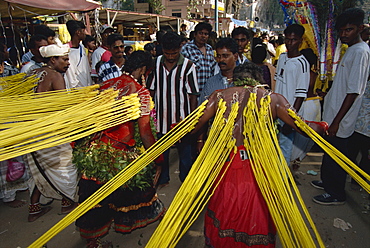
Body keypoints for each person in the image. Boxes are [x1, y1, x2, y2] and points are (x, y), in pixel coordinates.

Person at [192, 61, 327, 248]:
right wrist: (322, 126)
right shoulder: (273, 99)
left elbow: (193, 125)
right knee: (257, 212)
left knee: (225, 208)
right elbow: (303, 127)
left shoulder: (220, 96)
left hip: (227, 165)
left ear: (233, 80)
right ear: (259, 81)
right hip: (259, 167)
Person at [74, 51, 165, 248]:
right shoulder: (140, 92)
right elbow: (146, 133)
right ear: (143, 70)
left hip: (96, 151)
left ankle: (93, 240)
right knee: (136, 190)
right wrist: (158, 159)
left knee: (97, 197)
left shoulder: (107, 85)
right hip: (120, 154)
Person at [311, 8, 370, 205]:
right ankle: (327, 182)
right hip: (334, 113)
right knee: (329, 152)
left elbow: (354, 91)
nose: (344, 34)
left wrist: (336, 122)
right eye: (341, 31)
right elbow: (345, 84)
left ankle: (335, 193)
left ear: (360, 28)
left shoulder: (361, 52)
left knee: (337, 155)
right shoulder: (351, 49)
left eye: (349, 30)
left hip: (341, 119)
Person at [26, 44, 78, 222]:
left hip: (33, 131)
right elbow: (63, 109)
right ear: (53, 60)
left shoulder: (32, 74)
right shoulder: (55, 77)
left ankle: (34, 207)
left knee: (41, 168)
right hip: (51, 131)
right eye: (64, 59)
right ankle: (67, 202)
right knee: (64, 166)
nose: (68, 63)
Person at [147, 31, 199, 186]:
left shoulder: (189, 66)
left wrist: (192, 119)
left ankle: (186, 181)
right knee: (162, 152)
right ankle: (163, 179)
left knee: (185, 152)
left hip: (182, 118)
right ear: (162, 49)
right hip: (160, 119)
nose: (170, 56)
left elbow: (193, 95)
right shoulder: (155, 63)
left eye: (174, 53)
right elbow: (151, 90)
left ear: (180, 49)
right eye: (167, 53)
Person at [274, 24, 310, 166]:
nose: (290, 43)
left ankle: (283, 179)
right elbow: (276, 82)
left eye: (293, 40)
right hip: (276, 110)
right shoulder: (282, 57)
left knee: (285, 146)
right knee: (275, 145)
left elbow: (300, 94)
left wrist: (291, 118)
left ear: (300, 41)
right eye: (287, 39)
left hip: (288, 113)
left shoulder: (302, 63)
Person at [0, 52, 30, 208]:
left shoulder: (6, 85)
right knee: (7, 164)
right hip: (6, 131)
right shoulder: (6, 87)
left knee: (10, 164)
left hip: (9, 129)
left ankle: (11, 193)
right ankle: (9, 196)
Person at [290, 48, 321, 169]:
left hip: (306, 104)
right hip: (313, 103)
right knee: (304, 137)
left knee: (299, 136)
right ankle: (297, 160)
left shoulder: (304, 72)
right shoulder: (314, 74)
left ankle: (294, 160)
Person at [181, 22, 217, 92]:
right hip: (192, 92)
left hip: (208, 92)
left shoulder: (209, 49)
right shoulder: (187, 49)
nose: (203, 36)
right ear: (195, 34)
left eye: (206, 34)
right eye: (200, 33)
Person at [200, 38, 238, 102]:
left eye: (225, 56)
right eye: (218, 56)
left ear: (235, 57)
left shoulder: (244, 81)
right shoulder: (211, 83)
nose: (221, 60)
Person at [64, 20, 92, 89]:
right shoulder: (68, 51)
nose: (85, 33)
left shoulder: (82, 47)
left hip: (87, 87)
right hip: (78, 90)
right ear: (78, 32)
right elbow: (71, 75)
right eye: (83, 31)